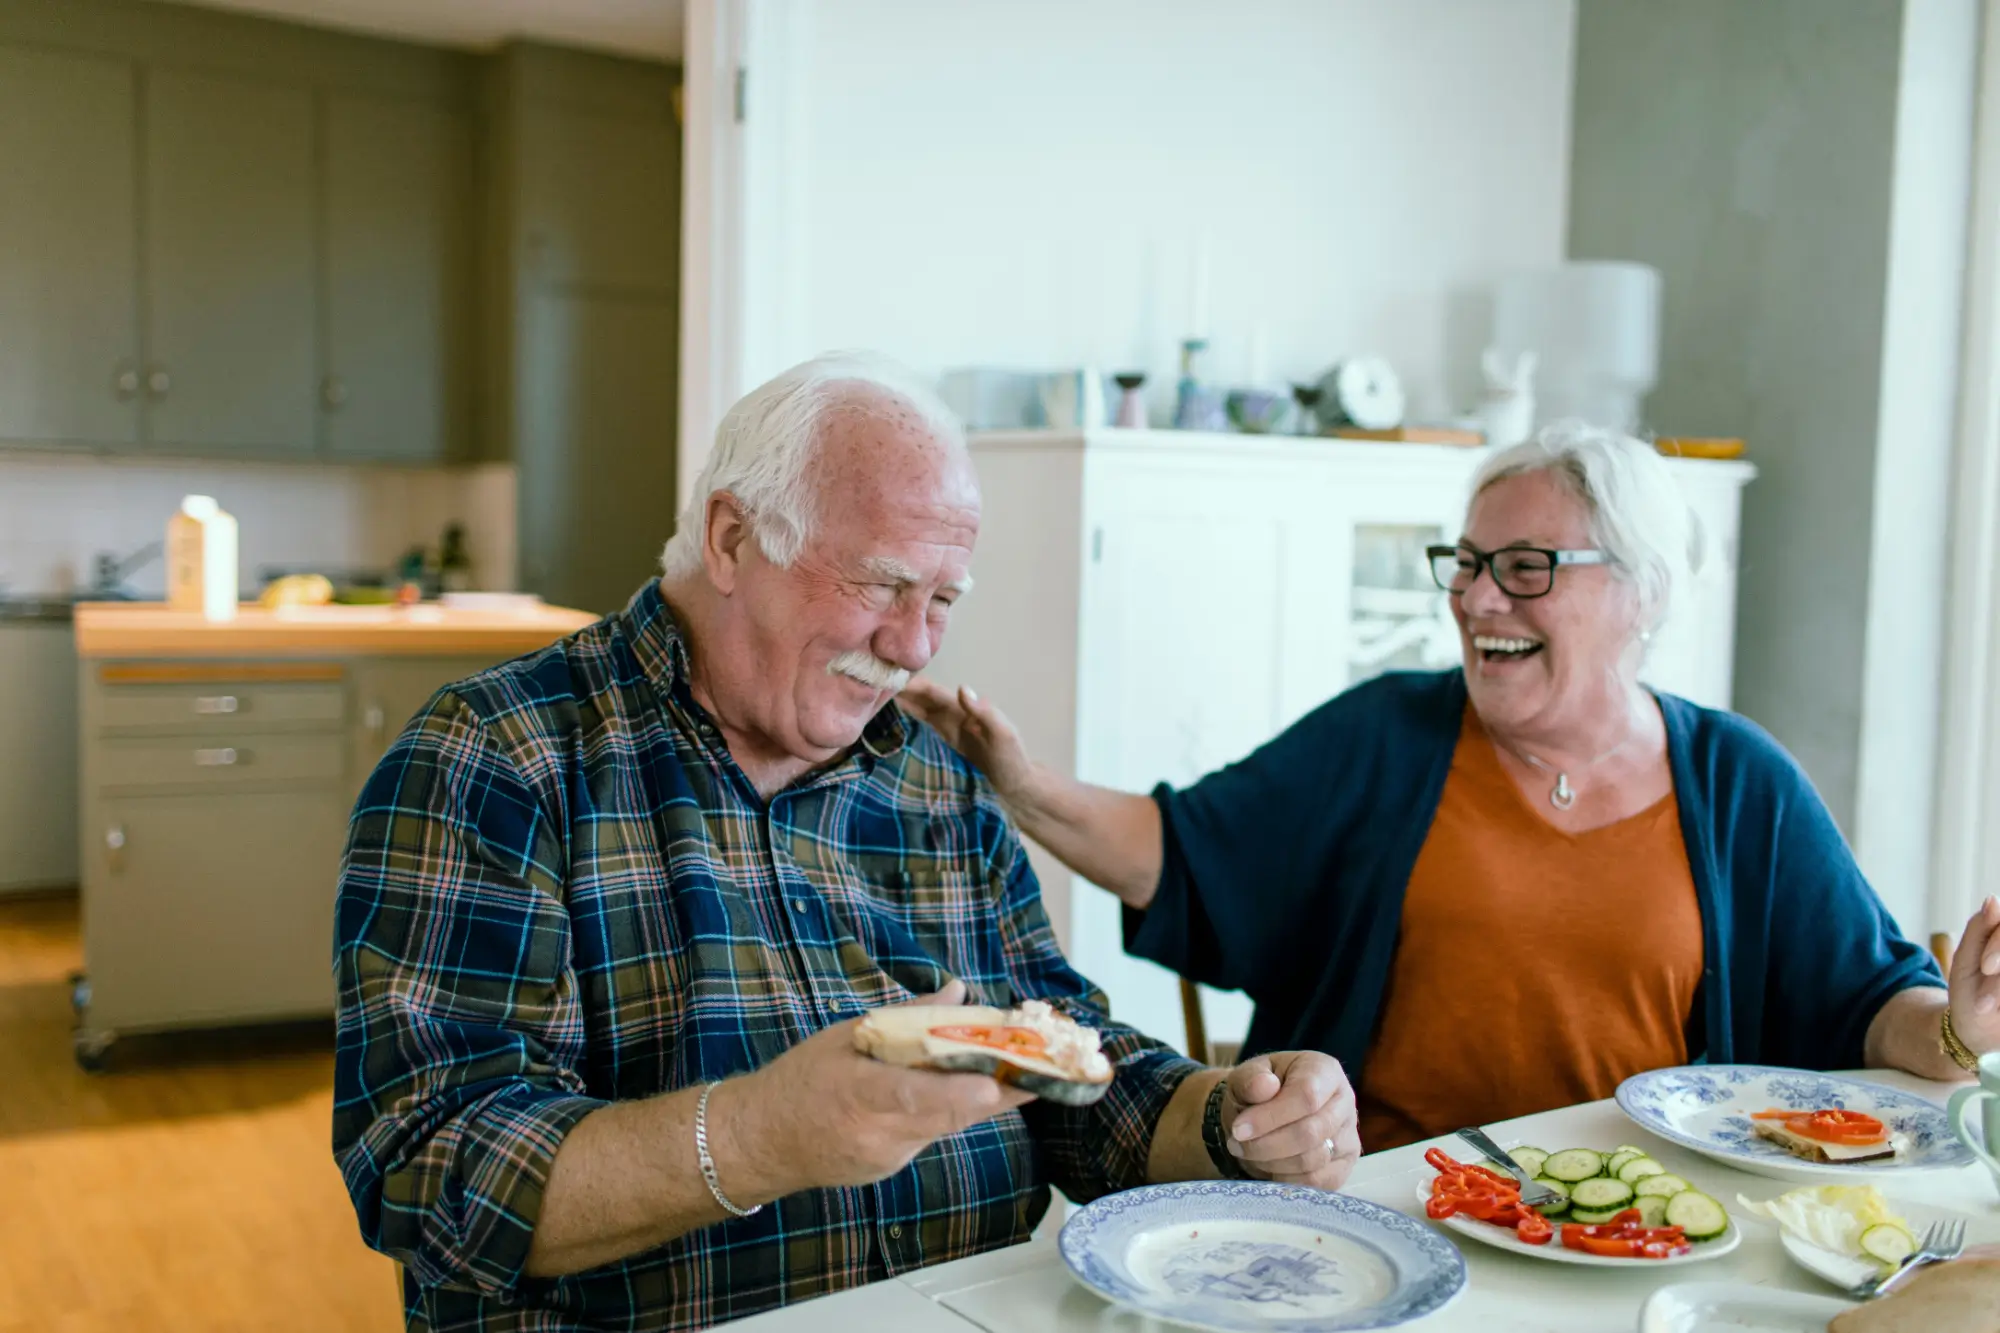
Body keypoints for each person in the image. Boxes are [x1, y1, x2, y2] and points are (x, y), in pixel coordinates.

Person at [331, 352, 1361, 1333]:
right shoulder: (499, 758)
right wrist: (763, 1134)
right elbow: (426, 1174)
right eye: (880, 584)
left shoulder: (933, 776)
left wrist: (1228, 1116)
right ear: (732, 539)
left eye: (942, 599)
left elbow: (1064, 1073)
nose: (913, 644)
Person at [903, 421, 2000, 1155]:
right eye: (1466, 564)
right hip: (1388, 1204)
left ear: (1641, 592)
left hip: (1634, 1223)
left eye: (1525, 567)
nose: (1478, 600)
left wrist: (1957, 1029)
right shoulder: (1388, 733)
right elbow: (1182, 851)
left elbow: (1867, 1008)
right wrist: (1022, 784)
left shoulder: (1735, 781)